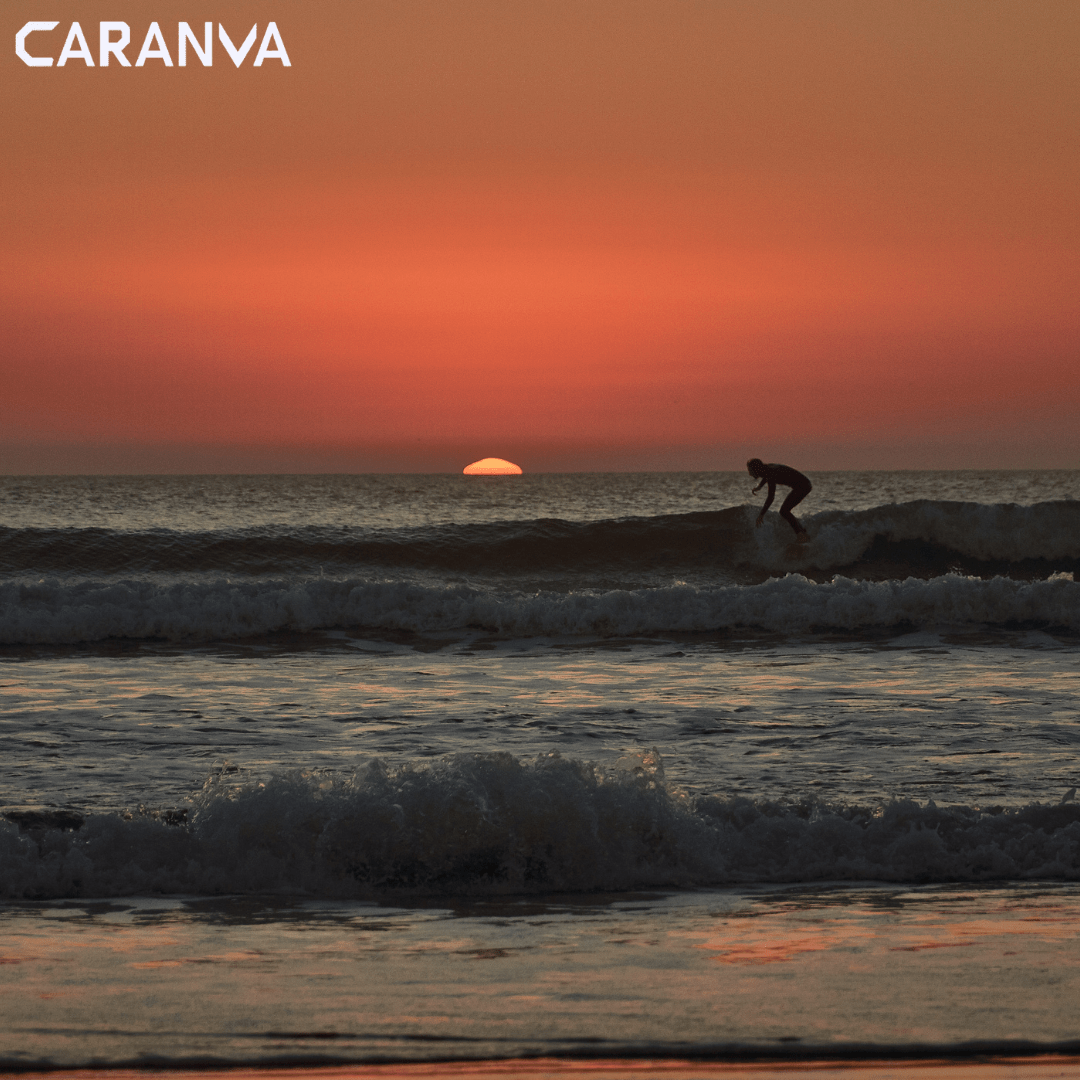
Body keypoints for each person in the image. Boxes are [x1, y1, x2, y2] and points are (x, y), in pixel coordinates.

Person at [747, 458, 812, 541]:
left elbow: (771, 497)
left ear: (756, 469)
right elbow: (765, 476)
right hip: (803, 485)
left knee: (784, 511)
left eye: (750, 471)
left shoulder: (770, 473)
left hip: (803, 486)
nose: (749, 474)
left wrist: (761, 515)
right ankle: (802, 532)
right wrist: (759, 487)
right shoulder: (767, 468)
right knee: (784, 511)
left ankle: (801, 535)